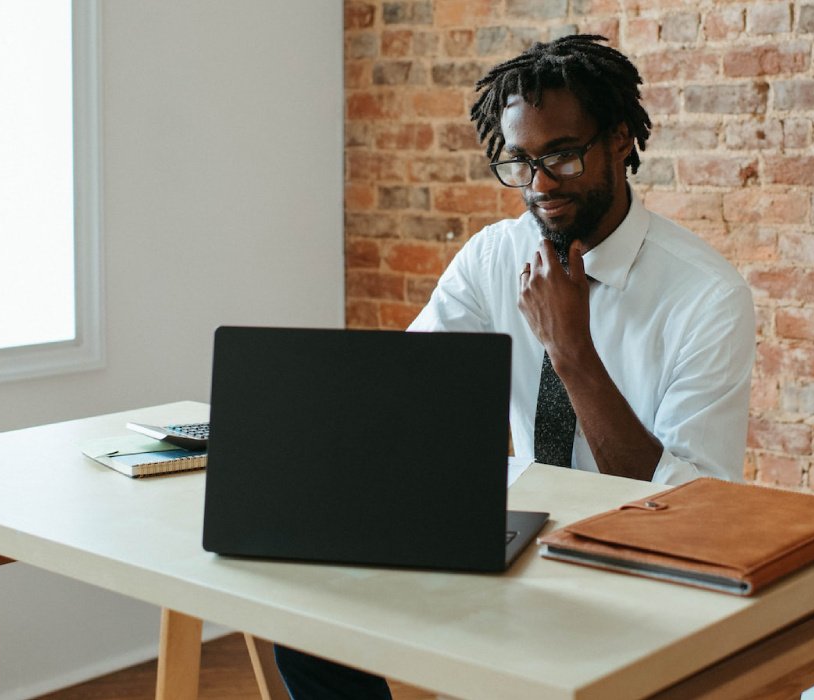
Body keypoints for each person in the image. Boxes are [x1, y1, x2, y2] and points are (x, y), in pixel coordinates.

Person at [275, 34, 756, 698]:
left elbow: (690, 511)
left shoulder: (707, 296)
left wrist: (571, 351)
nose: (538, 185)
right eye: (520, 161)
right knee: (308, 611)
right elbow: (405, 394)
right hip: (517, 537)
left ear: (620, 141)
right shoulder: (493, 258)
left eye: (561, 154)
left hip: (637, 569)